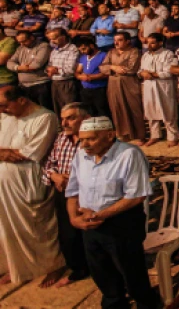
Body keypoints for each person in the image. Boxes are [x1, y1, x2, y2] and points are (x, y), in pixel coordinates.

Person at [65, 116, 158, 309]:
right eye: (82, 139)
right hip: (89, 224)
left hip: (122, 223)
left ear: (109, 135)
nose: (84, 145)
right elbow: (72, 191)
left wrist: (100, 215)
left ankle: (146, 303)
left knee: (131, 272)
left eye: (90, 139)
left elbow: (136, 196)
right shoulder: (81, 155)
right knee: (101, 272)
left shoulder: (129, 155)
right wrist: (74, 218)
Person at [0, 85, 62, 285]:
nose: (2, 110)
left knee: (37, 226)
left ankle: (51, 266)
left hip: (29, 182)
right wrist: (7, 153)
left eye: (4, 105)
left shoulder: (45, 118)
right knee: (7, 227)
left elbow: (26, 154)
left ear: (21, 100)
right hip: (5, 186)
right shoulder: (7, 117)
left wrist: (7, 153)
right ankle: (18, 267)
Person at [40, 103, 91, 287]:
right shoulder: (61, 138)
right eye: (63, 118)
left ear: (84, 119)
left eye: (70, 118)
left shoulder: (93, 138)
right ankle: (78, 269)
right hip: (63, 193)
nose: (65, 123)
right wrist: (54, 175)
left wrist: (74, 179)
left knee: (89, 233)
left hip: (87, 195)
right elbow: (48, 163)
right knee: (67, 234)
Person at [100, 31, 144, 142]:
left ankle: (140, 135)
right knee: (116, 108)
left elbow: (131, 68)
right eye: (115, 40)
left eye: (120, 40)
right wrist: (113, 67)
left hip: (129, 83)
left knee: (133, 108)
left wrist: (113, 68)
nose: (116, 43)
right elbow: (102, 67)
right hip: (113, 84)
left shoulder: (134, 51)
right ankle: (122, 133)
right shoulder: (111, 52)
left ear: (128, 41)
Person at [139, 33, 179, 147]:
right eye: (148, 42)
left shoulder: (168, 54)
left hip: (163, 86)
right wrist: (142, 73)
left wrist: (152, 74)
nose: (149, 45)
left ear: (160, 43)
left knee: (168, 111)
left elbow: (170, 71)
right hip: (148, 86)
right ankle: (155, 135)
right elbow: (140, 70)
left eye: (152, 42)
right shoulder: (145, 55)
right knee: (150, 111)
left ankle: (173, 136)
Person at [7, 30, 52, 109]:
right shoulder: (20, 48)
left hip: (40, 85)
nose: (22, 44)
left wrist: (20, 67)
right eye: (19, 42)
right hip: (24, 86)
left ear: (31, 37)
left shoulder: (43, 46)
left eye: (24, 41)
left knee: (44, 110)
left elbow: (36, 64)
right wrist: (18, 67)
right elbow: (9, 63)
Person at [46, 28, 80, 114]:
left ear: (63, 37)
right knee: (58, 110)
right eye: (50, 39)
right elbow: (49, 65)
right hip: (55, 83)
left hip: (67, 83)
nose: (52, 41)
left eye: (54, 38)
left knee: (70, 110)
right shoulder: (54, 51)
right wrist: (49, 71)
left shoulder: (73, 49)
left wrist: (56, 71)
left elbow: (71, 69)